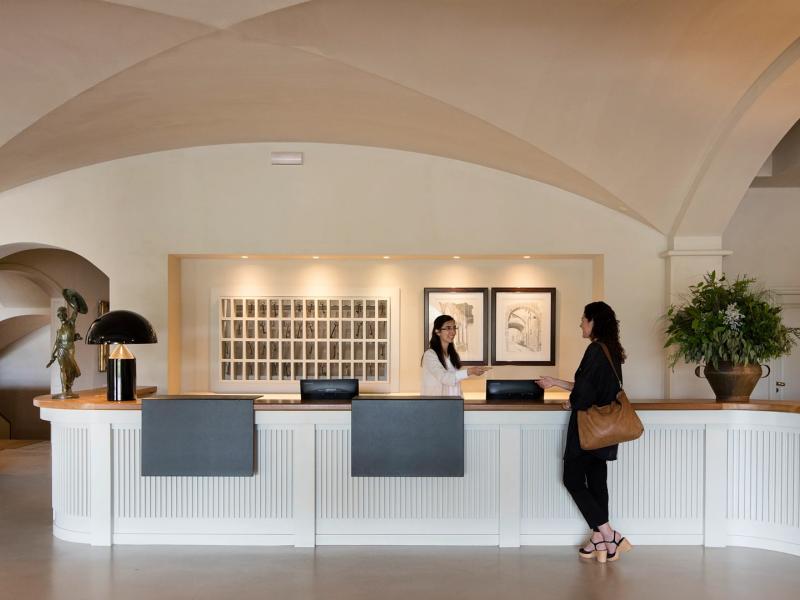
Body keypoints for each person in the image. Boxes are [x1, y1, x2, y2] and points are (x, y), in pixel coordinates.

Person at [536, 301, 633, 563]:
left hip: (587, 429)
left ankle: (610, 534)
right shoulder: (611, 351)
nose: (580, 323)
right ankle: (601, 542)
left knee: (573, 480)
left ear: (593, 322)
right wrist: (556, 383)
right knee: (598, 483)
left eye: (583, 319)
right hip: (604, 430)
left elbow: (584, 393)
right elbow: (591, 386)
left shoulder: (594, 350)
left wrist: (572, 402)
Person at [421, 314, 490, 396]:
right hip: (437, 406)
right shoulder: (429, 355)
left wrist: (474, 371)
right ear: (437, 331)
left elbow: (455, 379)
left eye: (454, 328)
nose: (453, 332)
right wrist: (470, 371)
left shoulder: (452, 355)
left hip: (454, 404)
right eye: (448, 328)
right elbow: (445, 378)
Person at [46, 305, 82, 398]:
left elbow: (75, 314)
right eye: (59, 314)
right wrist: (52, 354)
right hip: (61, 350)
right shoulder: (59, 330)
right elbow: (57, 343)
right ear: (58, 316)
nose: (61, 316)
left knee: (71, 370)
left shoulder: (71, 323)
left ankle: (68, 387)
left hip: (69, 349)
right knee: (62, 369)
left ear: (66, 314)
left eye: (62, 313)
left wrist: (75, 302)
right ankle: (64, 390)